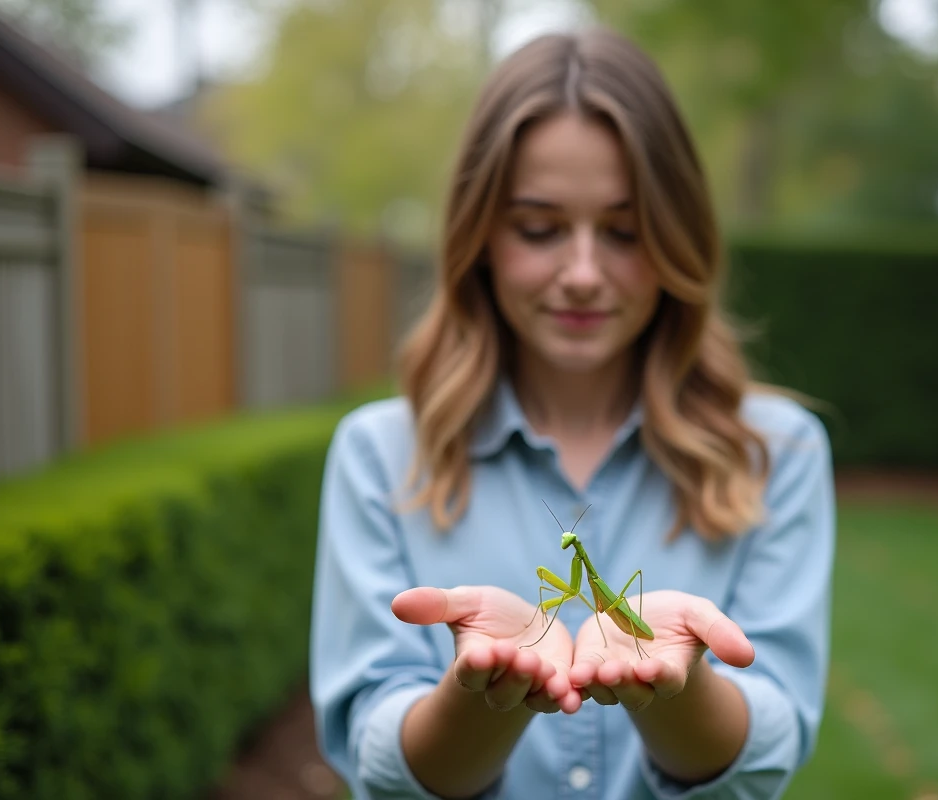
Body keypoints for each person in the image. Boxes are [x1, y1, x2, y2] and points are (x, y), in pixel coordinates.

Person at [309, 25, 835, 800]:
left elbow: (771, 741)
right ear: (479, 236)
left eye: (624, 231)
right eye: (539, 228)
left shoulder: (778, 454)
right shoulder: (378, 456)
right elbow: (373, 755)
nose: (583, 273)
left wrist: (679, 688)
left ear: (677, 237)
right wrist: (481, 696)